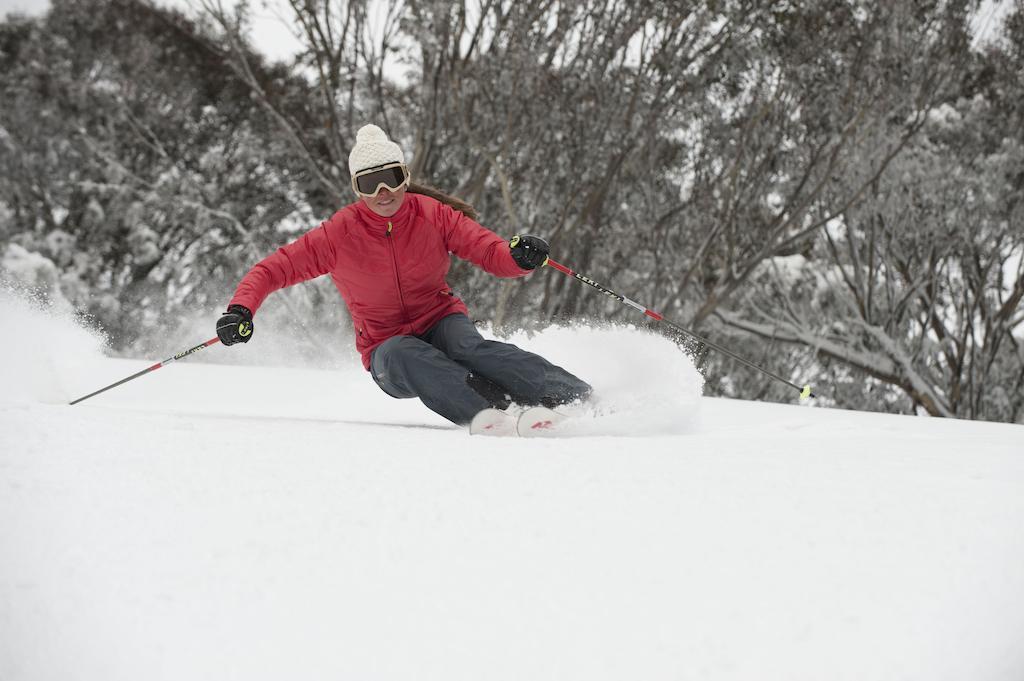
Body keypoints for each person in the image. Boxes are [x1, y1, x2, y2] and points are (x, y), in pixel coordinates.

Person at [216, 124, 591, 426]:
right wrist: (241, 310)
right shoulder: (337, 235)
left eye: (391, 178)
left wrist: (518, 257)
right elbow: (271, 270)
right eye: (369, 183)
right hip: (386, 349)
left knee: (466, 347)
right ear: (356, 189)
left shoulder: (432, 214)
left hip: (439, 318)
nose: (382, 192)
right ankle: (495, 411)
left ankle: (576, 397)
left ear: (405, 176)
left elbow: (488, 251)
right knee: (403, 351)